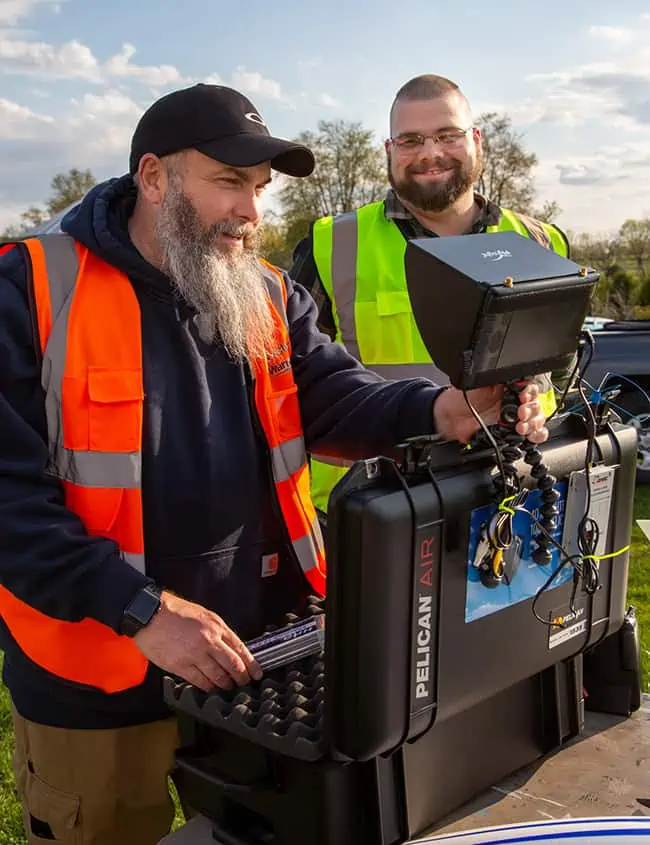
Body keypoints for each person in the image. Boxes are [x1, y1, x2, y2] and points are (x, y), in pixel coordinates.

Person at [0, 83, 547, 845]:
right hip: (102, 677)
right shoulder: (30, 289)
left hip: (263, 665)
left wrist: (437, 409)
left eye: (258, 189)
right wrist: (141, 609)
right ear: (153, 178)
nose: (252, 213)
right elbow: (9, 504)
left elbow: (335, 395)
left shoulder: (263, 292)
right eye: (228, 181)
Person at [291, 74, 570, 519]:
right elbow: (290, 383)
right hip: (367, 510)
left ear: (476, 140)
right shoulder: (331, 244)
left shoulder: (542, 242)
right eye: (410, 140)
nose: (430, 153)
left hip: (505, 503)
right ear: (389, 151)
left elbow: (559, 375)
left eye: (447, 136)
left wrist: (529, 403)